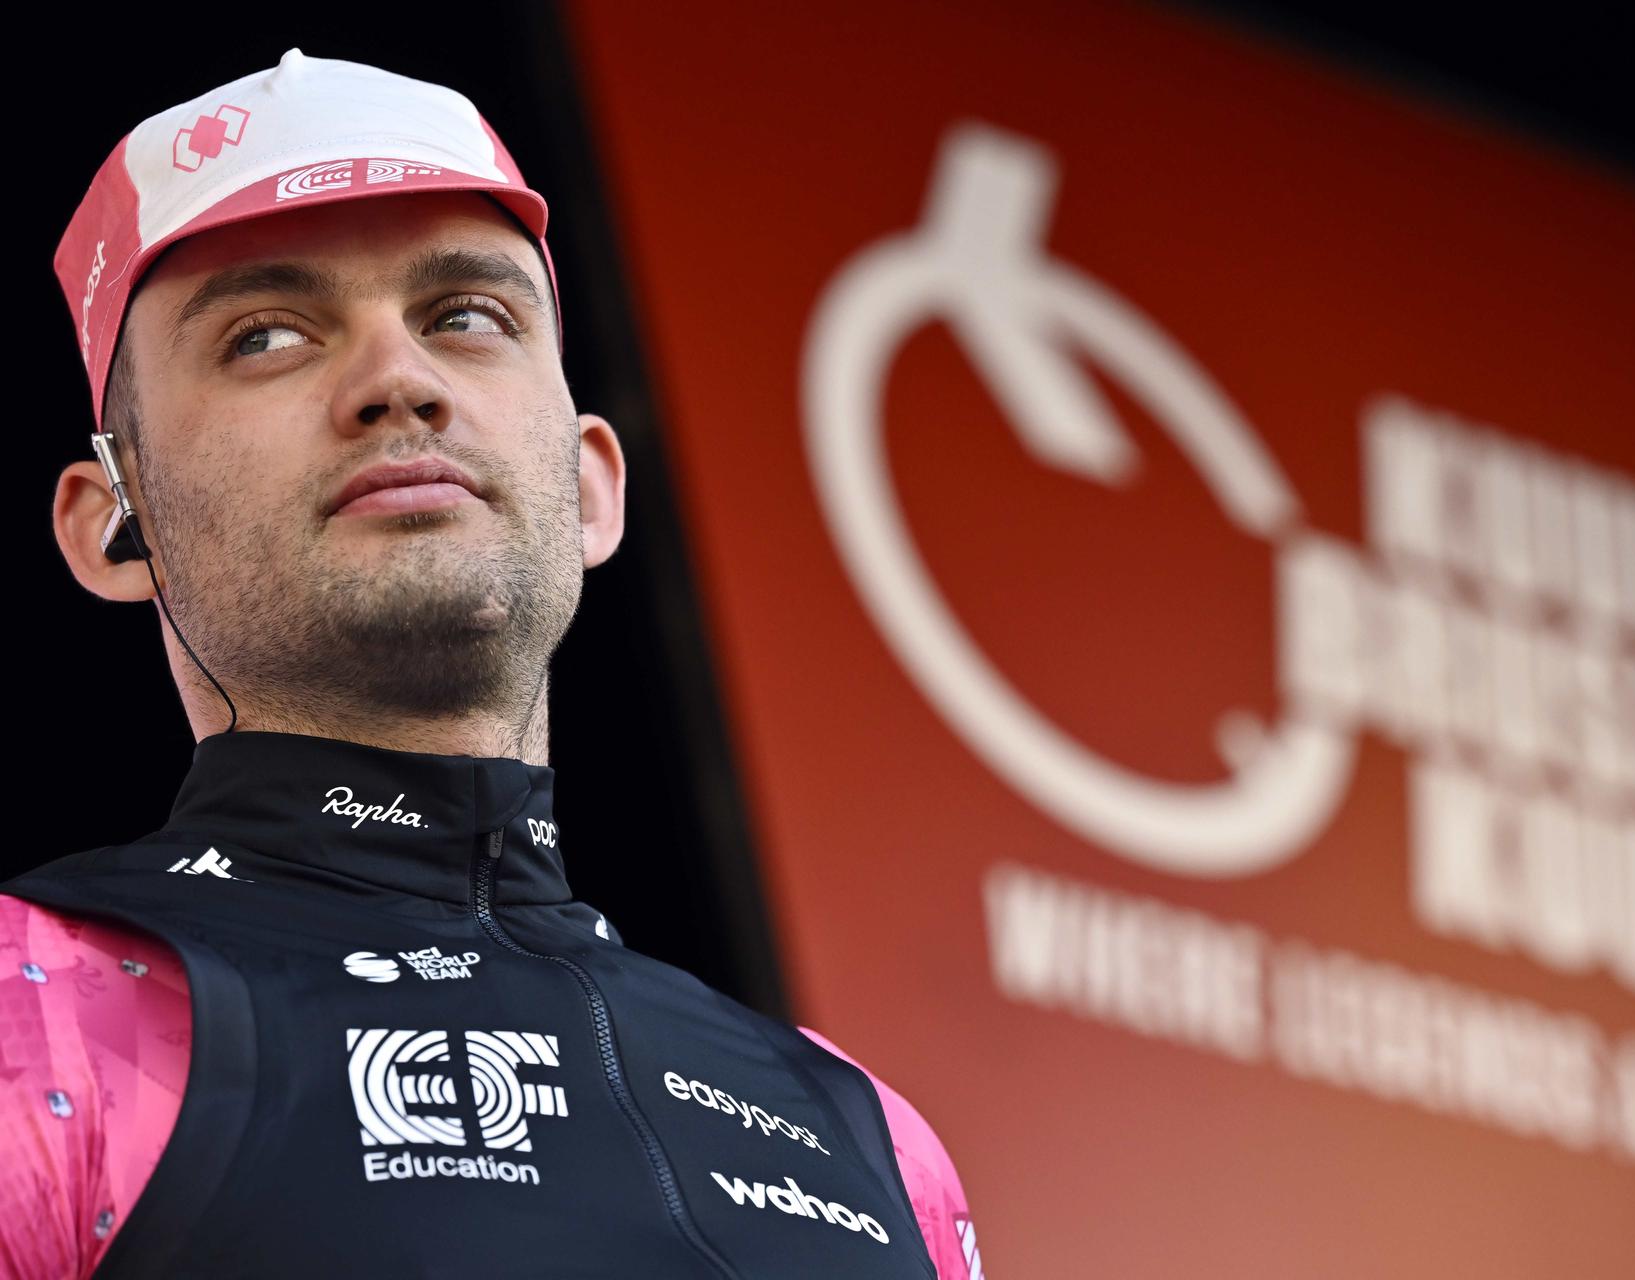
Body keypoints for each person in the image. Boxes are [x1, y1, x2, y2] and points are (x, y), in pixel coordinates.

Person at [1, 50, 982, 1280]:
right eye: (264, 334)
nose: (397, 381)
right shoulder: (31, 1012)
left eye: (465, 316)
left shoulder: (875, 1140)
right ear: (112, 521)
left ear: (588, 485)